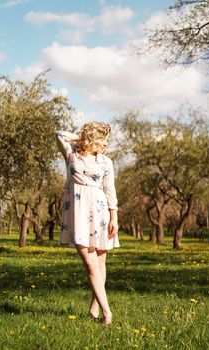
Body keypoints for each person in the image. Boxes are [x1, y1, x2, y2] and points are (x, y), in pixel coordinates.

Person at [55, 122, 120, 325]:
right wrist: (82, 138)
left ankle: (94, 309)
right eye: (102, 139)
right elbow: (59, 134)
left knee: (100, 262)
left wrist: (114, 217)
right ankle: (108, 313)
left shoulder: (105, 162)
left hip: (100, 210)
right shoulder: (71, 153)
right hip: (78, 209)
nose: (105, 143)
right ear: (92, 137)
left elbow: (110, 190)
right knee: (90, 262)